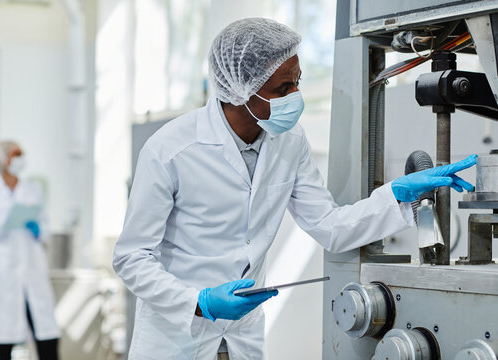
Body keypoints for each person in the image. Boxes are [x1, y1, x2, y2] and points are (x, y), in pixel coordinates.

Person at [113, 18, 476, 360]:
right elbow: (131, 257)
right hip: (178, 338)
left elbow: (329, 226)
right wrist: (199, 301)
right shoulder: (171, 150)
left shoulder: (289, 140)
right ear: (241, 90)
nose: (296, 96)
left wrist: (398, 193)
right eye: (283, 88)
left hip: (241, 338)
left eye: (298, 82)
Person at [0, 140, 60, 360]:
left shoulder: (33, 188)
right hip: (6, 266)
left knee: (45, 329)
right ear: (3, 159)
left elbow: (45, 225)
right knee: (5, 335)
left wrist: (38, 229)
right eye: (16, 154)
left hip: (32, 263)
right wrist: (12, 215)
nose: (20, 158)